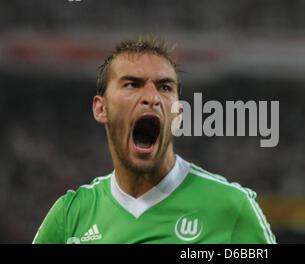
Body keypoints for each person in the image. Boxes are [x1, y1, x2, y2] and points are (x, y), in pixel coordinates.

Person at [32, 36, 276, 244]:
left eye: (165, 87)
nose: (152, 97)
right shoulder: (70, 215)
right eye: (132, 84)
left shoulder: (232, 208)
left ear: (179, 114)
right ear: (101, 108)